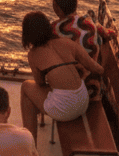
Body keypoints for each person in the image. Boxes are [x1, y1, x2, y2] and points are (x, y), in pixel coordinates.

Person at [20, 11, 105, 141]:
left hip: (65, 109)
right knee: (54, 91)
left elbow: (40, 83)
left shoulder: (33, 55)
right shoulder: (67, 43)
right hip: (83, 100)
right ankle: (30, 135)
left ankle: (30, 144)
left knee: (26, 87)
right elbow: (97, 69)